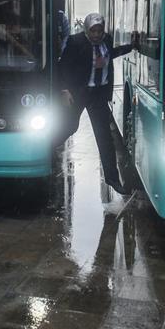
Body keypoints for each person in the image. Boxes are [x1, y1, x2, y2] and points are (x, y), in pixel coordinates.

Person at [57, 12, 137, 195]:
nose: (96, 34)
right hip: (78, 93)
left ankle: (113, 179)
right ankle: (45, 148)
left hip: (98, 95)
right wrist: (64, 90)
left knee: (105, 138)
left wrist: (131, 47)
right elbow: (63, 66)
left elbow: (112, 53)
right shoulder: (75, 42)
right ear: (87, 29)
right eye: (93, 31)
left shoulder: (106, 40)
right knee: (69, 127)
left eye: (99, 31)